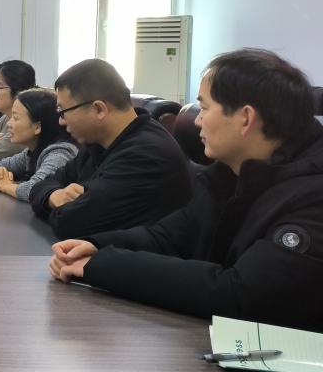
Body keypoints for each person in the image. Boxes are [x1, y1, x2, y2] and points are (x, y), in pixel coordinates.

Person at [50, 49, 323, 332]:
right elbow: (169, 237)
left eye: (204, 108)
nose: (196, 121)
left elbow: (240, 294)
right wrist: (96, 245)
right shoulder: (229, 174)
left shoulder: (313, 196)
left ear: (245, 118)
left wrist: (102, 266)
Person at [28, 59, 191, 239]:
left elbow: (70, 222)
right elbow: (41, 185)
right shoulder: (98, 142)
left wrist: (56, 203)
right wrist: (54, 196)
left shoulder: (146, 156)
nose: (61, 121)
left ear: (99, 109)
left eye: (63, 111)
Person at [0, 89, 77, 201]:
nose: (9, 124)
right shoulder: (33, 150)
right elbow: (1, 164)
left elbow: (37, 189)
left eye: (15, 118)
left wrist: (5, 186)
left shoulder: (60, 153)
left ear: (37, 127)